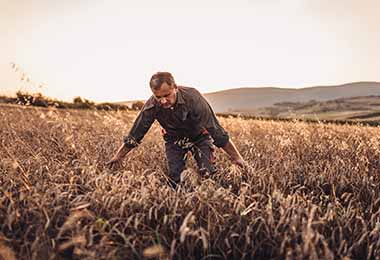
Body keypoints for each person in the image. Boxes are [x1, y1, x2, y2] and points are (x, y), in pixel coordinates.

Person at [107, 72, 246, 188]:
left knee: (208, 173)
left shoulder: (193, 98)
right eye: (158, 97)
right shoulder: (151, 106)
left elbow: (216, 131)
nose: (163, 101)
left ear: (175, 87)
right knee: (175, 178)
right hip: (174, 140)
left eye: (167, 95)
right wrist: (118, 156)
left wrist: (237, 157)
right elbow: (136, 134)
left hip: (200, 137)